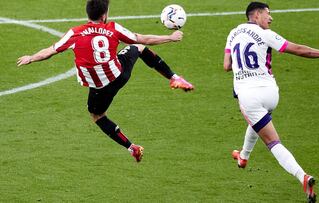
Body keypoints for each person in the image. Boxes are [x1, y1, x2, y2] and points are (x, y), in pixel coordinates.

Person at [17, 0, 194, 163]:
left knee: (97, 116)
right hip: (119, 75)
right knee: (139, 47)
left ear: (88, 14)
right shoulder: (112, 28)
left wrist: (31, 58)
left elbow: (49, 51)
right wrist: (170, 38)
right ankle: (173, 78)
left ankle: (132, 148)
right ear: (104, 15)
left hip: (99, 88)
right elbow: (142, 38)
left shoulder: (75, 33)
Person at [223, 2, 319, 202]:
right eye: (268, 14)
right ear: (257, 14)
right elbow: (298, 49)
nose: (271, 18)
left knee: (272, 141)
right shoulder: (266, 34)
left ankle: (302, 176)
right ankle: (243, 157)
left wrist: (242, 67)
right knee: (257, 120)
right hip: (271, 93)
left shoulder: (233, 33)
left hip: (248, 96)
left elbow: (226, 65)